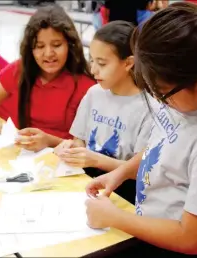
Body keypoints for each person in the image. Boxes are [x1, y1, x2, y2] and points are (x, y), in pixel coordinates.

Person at [85, 3, 197, 257]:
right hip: (153, 230)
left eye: (161, 92)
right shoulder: (185, 98)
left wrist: (115, 217)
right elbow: (163, 147)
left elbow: (190, 238)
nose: (158, 99)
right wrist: (122, 172)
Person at [0, 5, 95, 152]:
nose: (48, 53)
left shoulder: (86, 85)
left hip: (67, 166)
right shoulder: (19, 70)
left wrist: (49, 141)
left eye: (57, 45)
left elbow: (91, 146)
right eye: (40, 46)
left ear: (70, 45)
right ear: (30, 49)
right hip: (23, 160)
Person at [55, 21, 153, 204]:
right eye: (91, 60)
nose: (93, 70)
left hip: (124, 196)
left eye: (101, 63)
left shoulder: (149, 107)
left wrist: (95, 160)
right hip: (86, 186)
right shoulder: (94, 94)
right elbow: (80, 139)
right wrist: (72, 150)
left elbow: (141, 170)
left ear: (128, 63)